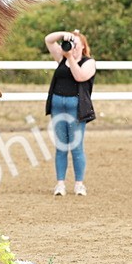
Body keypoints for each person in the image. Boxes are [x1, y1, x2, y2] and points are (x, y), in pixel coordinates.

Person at [44, 29, 97, 196]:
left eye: (76, 45)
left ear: (82, 47)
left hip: (76, 108)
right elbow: (48, 40)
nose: (72, 47)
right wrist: (64, 35)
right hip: (58, 106)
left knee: (76, 146)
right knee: (60, 146)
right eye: (71, 44)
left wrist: (70, 59)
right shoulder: (61, 58)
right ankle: (60, 183)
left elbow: (80, 77)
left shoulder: (89, 62)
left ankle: (79, 184)